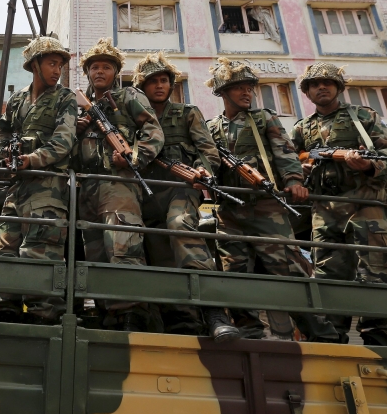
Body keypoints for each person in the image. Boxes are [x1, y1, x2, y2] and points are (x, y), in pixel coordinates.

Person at [206, 58, 335, 342]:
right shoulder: (212, 127)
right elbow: (207, 160)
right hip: (229, 211)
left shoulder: (264, 118)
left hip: (267, 206)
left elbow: (285, 152)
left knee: (288, 269)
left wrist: (293, 181)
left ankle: (322, 334)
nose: (246, 93)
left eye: (249, 88)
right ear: (223, 92)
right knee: (235, 271)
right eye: (238, 88)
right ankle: (250, 330)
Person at [292, 62, 387, 346]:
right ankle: (332, 343)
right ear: (307, 92)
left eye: (328, 83)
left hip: (365, 206)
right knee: (329, 280)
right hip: (325, 212)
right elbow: (290, 166)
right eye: (315, 84)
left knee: (375, 276)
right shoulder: (302, 128)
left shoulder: (363, 117)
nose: (322, 87)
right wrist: (301, 172)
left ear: (338, 88)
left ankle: (381, 346)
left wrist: (368, 164)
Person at [131, 52, 225, 338]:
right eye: (152, 82)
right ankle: (182, 323)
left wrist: (203, 171)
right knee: (161, 256)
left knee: (180, 225)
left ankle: (213, 308)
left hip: (181, 188)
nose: (159, 86)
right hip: (146, 195)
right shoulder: (135, 118)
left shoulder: (187, 112)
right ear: (142, 87)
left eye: (163, 80)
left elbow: (208, 150)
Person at [75, 38, 164, 332]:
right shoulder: (80, 106)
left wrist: (135, 157)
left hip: (119, 182)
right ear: (87, 73)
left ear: (116, 72)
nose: (100, 72)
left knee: (124, 245)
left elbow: (153, 130)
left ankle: (131, 313)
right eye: (94, 67)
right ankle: (106, 312)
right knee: (96, 251)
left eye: (106, 67)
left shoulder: (127, 97)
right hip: (87, 184)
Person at [0, 36, 77, 325]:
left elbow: (63, 142)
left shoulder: (66, 98)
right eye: (52, 63)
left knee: (41, 247)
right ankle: (5, 306)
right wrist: (8, 153)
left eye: (60, 65)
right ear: (35, 65)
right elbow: (2, 132)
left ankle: (45, 313)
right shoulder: (16, 100)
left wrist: (31, 159)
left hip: (48, 185)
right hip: (17, 186)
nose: (57, 70)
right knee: (6, 247)